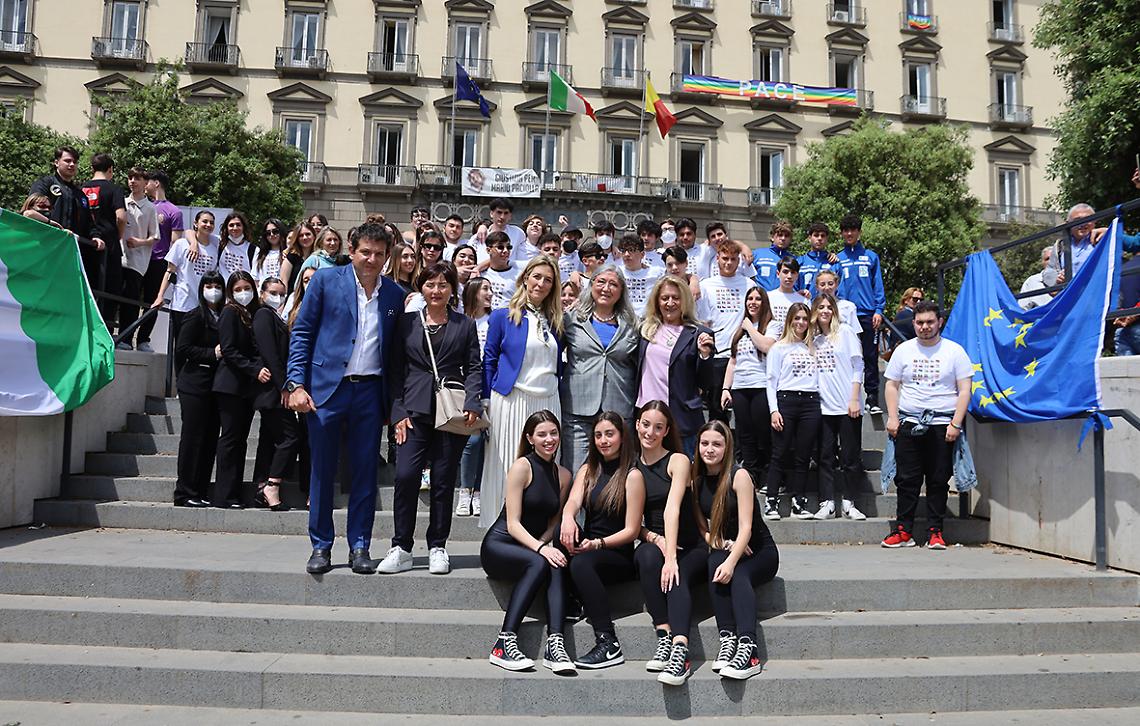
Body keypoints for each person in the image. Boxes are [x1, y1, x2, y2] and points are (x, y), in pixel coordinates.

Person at [286, 222, 406, 575]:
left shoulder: (394, 296)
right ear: (351, 251)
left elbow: (396, 354)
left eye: (379, 254)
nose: (371, 259)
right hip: (326, 389)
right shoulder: (325, 281)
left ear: (387, 257)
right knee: (322, 470)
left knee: (366, 472)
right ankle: (321, 545)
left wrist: (395, 404)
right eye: (365, 252)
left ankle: (359, 546)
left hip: (370, 392)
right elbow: (303, 333)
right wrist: (295, 384)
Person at [382, 263, 483, 576]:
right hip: (413, 408)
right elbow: (395, 370)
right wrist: (397, 411)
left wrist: (472, 401)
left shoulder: (464, 324)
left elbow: (474, 366)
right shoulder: (406, 323)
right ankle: (401, 546)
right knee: (406, 476)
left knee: (442, 480)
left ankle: (438, 544)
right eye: (430, 285)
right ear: (421, 288)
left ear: (452, 288)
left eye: (443, 285)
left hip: (450, 411)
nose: (436, 291)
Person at [481, 411, 575, 673]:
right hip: (501, 545)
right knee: (540, 562)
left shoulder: (564, 476)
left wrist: (546, 546)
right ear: (530, 438)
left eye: (553, 433)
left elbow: (554, 523)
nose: (549, 439)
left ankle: (555, 645)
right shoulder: (522, 466)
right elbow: (512, 524)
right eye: (542, 434)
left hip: (533, 546)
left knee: (555, 562)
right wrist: (541, 548)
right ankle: (504, 642)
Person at [481, 255, 564, 528]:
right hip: (511, 400)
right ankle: (502, 533)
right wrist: (486, 401)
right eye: (537, 276)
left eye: (548, 280)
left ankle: (538, 533)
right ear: (525, 278)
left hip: (549, 401)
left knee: (544, 472)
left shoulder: (556, 323)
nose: (541, 283)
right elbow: (489, 360)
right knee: (507, 467)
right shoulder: (502, 316)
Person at [693, 420, 779, 681]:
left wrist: (731, 561)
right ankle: (727, 637)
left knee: (737, 575)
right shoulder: (697, 481)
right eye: (705, 443)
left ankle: (748, 650)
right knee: (712, 564)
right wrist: (716, 542)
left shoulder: (739, 476)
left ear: (727, 446)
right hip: (729, 545)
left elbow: (746, 529)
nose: (710, 449)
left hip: (759, 551)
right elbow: (700, 525)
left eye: (716, 444)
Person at [882, 300, 972, 550]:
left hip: (943, 424)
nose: (924, 327)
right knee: (906, 480)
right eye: (920, 323)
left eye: (930, 322)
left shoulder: (954, 351)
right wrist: (892, 417)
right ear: (913, 324)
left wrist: (956, 423)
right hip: (909, 423)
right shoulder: (903, 350)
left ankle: (935, 531)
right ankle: (903, 531)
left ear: (939, 322)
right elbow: (891, 385)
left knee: (938, 480)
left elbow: (965, 389)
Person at [560, 411, 646, 670]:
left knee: (581, 564)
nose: (603, 440)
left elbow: (632, 530)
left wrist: (598, 544)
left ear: (622, 437)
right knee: (559, 534)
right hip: (589, 546)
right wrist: (567, 517)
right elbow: (574, 501)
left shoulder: (632, 475)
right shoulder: (589, 469)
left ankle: (608, 641)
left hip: (616, 553)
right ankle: (572, 600)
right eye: (598, 435)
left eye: (609, 434)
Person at [632, 401, 706, 686]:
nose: (650, 432)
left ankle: (680, 650)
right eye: (646, 424)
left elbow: (672, 508)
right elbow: (633, 524)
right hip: (658, 541)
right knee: (646, 557)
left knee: (677, 574)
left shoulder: (678, 460)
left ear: (666, 431)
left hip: (688, 545)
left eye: (658, 427)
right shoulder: (632, 467)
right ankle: (663, 634)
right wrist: (655, 539)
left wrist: (672, 557)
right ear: (637, 424)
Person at [560, 266, 640, 473]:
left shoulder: (633, 325)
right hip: (578, 408)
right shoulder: (571, 319)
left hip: (618, 408)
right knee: (577, 472)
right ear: (591, 285)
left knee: (616, 473)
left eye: (613, 284)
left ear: (622, 291)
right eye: (601, 282)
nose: (606, 288)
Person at [636, 276, 714, 456]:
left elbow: (706, 382)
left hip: (681, 418)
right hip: (648, 417)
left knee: (684, 474)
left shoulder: (699, 334)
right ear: (657, 301)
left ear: (684, 301)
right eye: (664, 298)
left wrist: (704, 356)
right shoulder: (645, 330)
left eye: (675, 298)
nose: (670, 303)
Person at [211, 271, 268, 509]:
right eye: (238, 289)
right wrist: (255, 370)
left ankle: (234, 492)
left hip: (244, 388)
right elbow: (229, 350)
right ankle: (224, 494)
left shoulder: (251, 313)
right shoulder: (229, 312)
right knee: (231, 440)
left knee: (240, 440)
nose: (243, 293)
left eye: (247, 288)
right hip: (230, 385)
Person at [172, 271, 226, 508]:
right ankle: (185, 491)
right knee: (193, 438)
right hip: (194, 383)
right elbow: (183, 348)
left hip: (216, 386)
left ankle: (201, 489)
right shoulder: (195, 316)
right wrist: (210, 354)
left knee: (210, 438)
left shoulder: (224, 315)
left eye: (217, 285)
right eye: (209, 285)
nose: (213, 290)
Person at [811, 293, 866, 521]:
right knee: (825, 457)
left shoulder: (846, 333)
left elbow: (858, 365)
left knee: (850, 458)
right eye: (820, 307)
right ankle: (827, 503)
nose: (825, 310)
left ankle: (849, 502)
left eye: (828, 306)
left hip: (847, 405)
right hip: (823, 407)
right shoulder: (813, 340)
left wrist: (854, 398)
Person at [765, 303, 821, 520]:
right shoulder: (779, 348)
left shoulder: (812, 347)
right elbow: (771, 381)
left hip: (810, 401)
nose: (801, 323)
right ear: (789, 320)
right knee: (779, 453)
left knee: (803, 455)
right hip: (786, 400)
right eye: (796, 318)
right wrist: (773, 410)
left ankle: (799, 500)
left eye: (805, 319)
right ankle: (772, 501)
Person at [721, 287, 775, 503]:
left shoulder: (771, 325)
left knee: (763, 432)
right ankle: (751, 474)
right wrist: (726, 388)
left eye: (757, 299)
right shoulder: (740, 329)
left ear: (764, 302)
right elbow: (732, 361)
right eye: (749, 299)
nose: (753, 302)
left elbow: (766, 346)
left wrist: (749, 328)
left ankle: (769, 474)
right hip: (740, 387)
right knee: (745, 434)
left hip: (761, 385)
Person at [250, 276, 298, 511]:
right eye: (273, 292)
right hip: (272, 391)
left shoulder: (277, 317)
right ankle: (272, 484)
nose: (277, 297)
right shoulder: (263, 315)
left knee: (269, 440)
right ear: (262, 293)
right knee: (290, 436)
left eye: (282, 293)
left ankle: (261, 487)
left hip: (274, 389)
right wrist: (285, 387)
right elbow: (270, 354)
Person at [697, 239, 752, 424]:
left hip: (742, 356)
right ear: (718, 258)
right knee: (717, 411)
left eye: (733, 259)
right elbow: (704, 321)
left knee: (744, 413)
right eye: (725, 258)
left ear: (739, 261)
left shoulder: (749, 285)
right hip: (718, 355)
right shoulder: (707, 285)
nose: (729, 263)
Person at [835, 214, 886, 414]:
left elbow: (878, 286)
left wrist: (879, 310)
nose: (849, 234)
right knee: (846, 356)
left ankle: (872, 398)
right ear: (841, 233)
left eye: (853, 230)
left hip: (867, 314)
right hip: (845, 316)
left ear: (859, 232)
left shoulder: (871, 257)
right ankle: (847, 395)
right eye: (846, 231)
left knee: (870, 356)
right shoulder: (837, 258)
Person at [150, 210, 219, 341]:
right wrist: (160, 296)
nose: (208, 225)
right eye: (204, 221)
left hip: (203, 307)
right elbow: (170, 271)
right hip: (182, 303)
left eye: (211, 222)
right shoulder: (181, 244)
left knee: (199, 345)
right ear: (196, 223)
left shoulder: (215, 246)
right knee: (181, 346)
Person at [457, 278, 493, 516]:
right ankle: (465, 490)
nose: (490, 294)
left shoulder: (495, 320)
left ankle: (479, 492)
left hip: (490, 385)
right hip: (465, 386)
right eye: (485, 289)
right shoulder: (461, 320)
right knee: (473, 440)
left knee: (488, 442)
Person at [138, 170, 183, 352]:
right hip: (137, 258)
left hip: (158, 262)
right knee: (130, 297)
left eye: (147, 181)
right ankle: (123, 336)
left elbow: (175, 242)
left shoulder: (174, 211)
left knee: (153, 301)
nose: (144, 185)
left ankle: (142, 339)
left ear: (156, 183)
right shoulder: (141, 205)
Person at [78, 153, 125, 329]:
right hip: (109, 245)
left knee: (87, 287)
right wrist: (118, 235)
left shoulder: (81, 189)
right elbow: (121, 216)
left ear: (92, 169)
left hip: (85, 244)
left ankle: (85, 326)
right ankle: (105, 329)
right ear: (110, 170)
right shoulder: (115, 190)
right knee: (110, 290)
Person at [117, 167, 160, 351]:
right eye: (130, 178)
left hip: (138, 262)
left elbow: (155, 237)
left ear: (145, 182)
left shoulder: (150, 208)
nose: (132, 181)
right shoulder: (122, 203)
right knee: (116, 296)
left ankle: (127, 338)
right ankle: (115, 334)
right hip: (119, 258)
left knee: (132, 300)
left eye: (137, 178)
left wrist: (140, 242)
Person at [617, 234, 665, 317]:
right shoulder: (617, 272)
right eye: (624, 251)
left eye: (631, 250)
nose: (627, 254)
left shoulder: (656, 273)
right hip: (623, 318)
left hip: (647, 320)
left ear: (642, 254)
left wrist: (693, 280)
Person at [483, 231, 523, 310]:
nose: (505, 251)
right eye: (500, 247)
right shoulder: (481, 274)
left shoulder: (519, 276)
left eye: (509, 247)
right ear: (488, 250)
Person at [766, 257, 806, 333]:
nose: (789, 276)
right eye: (785, 272)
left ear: (797, 276)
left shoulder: (803, 300)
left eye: (793, 272)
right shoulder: (768, 297)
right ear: (778, 274)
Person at [814, 270, 862, 334]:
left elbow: (855, 333)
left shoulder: (848, 306)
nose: (827, 287)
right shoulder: (813, 307)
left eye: (830, 284)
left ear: (836, 285)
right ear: (817, 287)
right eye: (822, 284)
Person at [751, 221, 794, 292]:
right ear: (772, 237)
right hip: (762, 299)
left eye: (786, 236)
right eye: (780, 235)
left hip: (783, 299)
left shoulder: (793, 259)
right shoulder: (757, 254)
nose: (783, 238)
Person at [798, 222, 838, 293]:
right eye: (816, 235)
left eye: (822, 236)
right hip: (805, 303)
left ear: (827, 239)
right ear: (809, 238)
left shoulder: (833, 262)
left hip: (828, 303)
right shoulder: (800, 261)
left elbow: (839, 289)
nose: (819, 238)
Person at [279, 221, 318, 293]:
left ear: (314, 236)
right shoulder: (291, 257)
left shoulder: (319, 257)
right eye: (301, 235)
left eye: (308, 234)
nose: (305, 237)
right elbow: (283, 281)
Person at [216, 212, 253, 283]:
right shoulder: (219, 243)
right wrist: (193, 243)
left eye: (238, 225)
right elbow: (189, 232)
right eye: (231, 225)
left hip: (242, 291)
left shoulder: (253, 250)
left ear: (243, 227)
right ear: (226, 228)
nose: (235, 228)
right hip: (223, 291)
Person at [252, 218, 287, 286]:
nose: (272, 235)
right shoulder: (259, 255)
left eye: (275, 231)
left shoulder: (287, 253)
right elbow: (255, 279)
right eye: (268, 233)